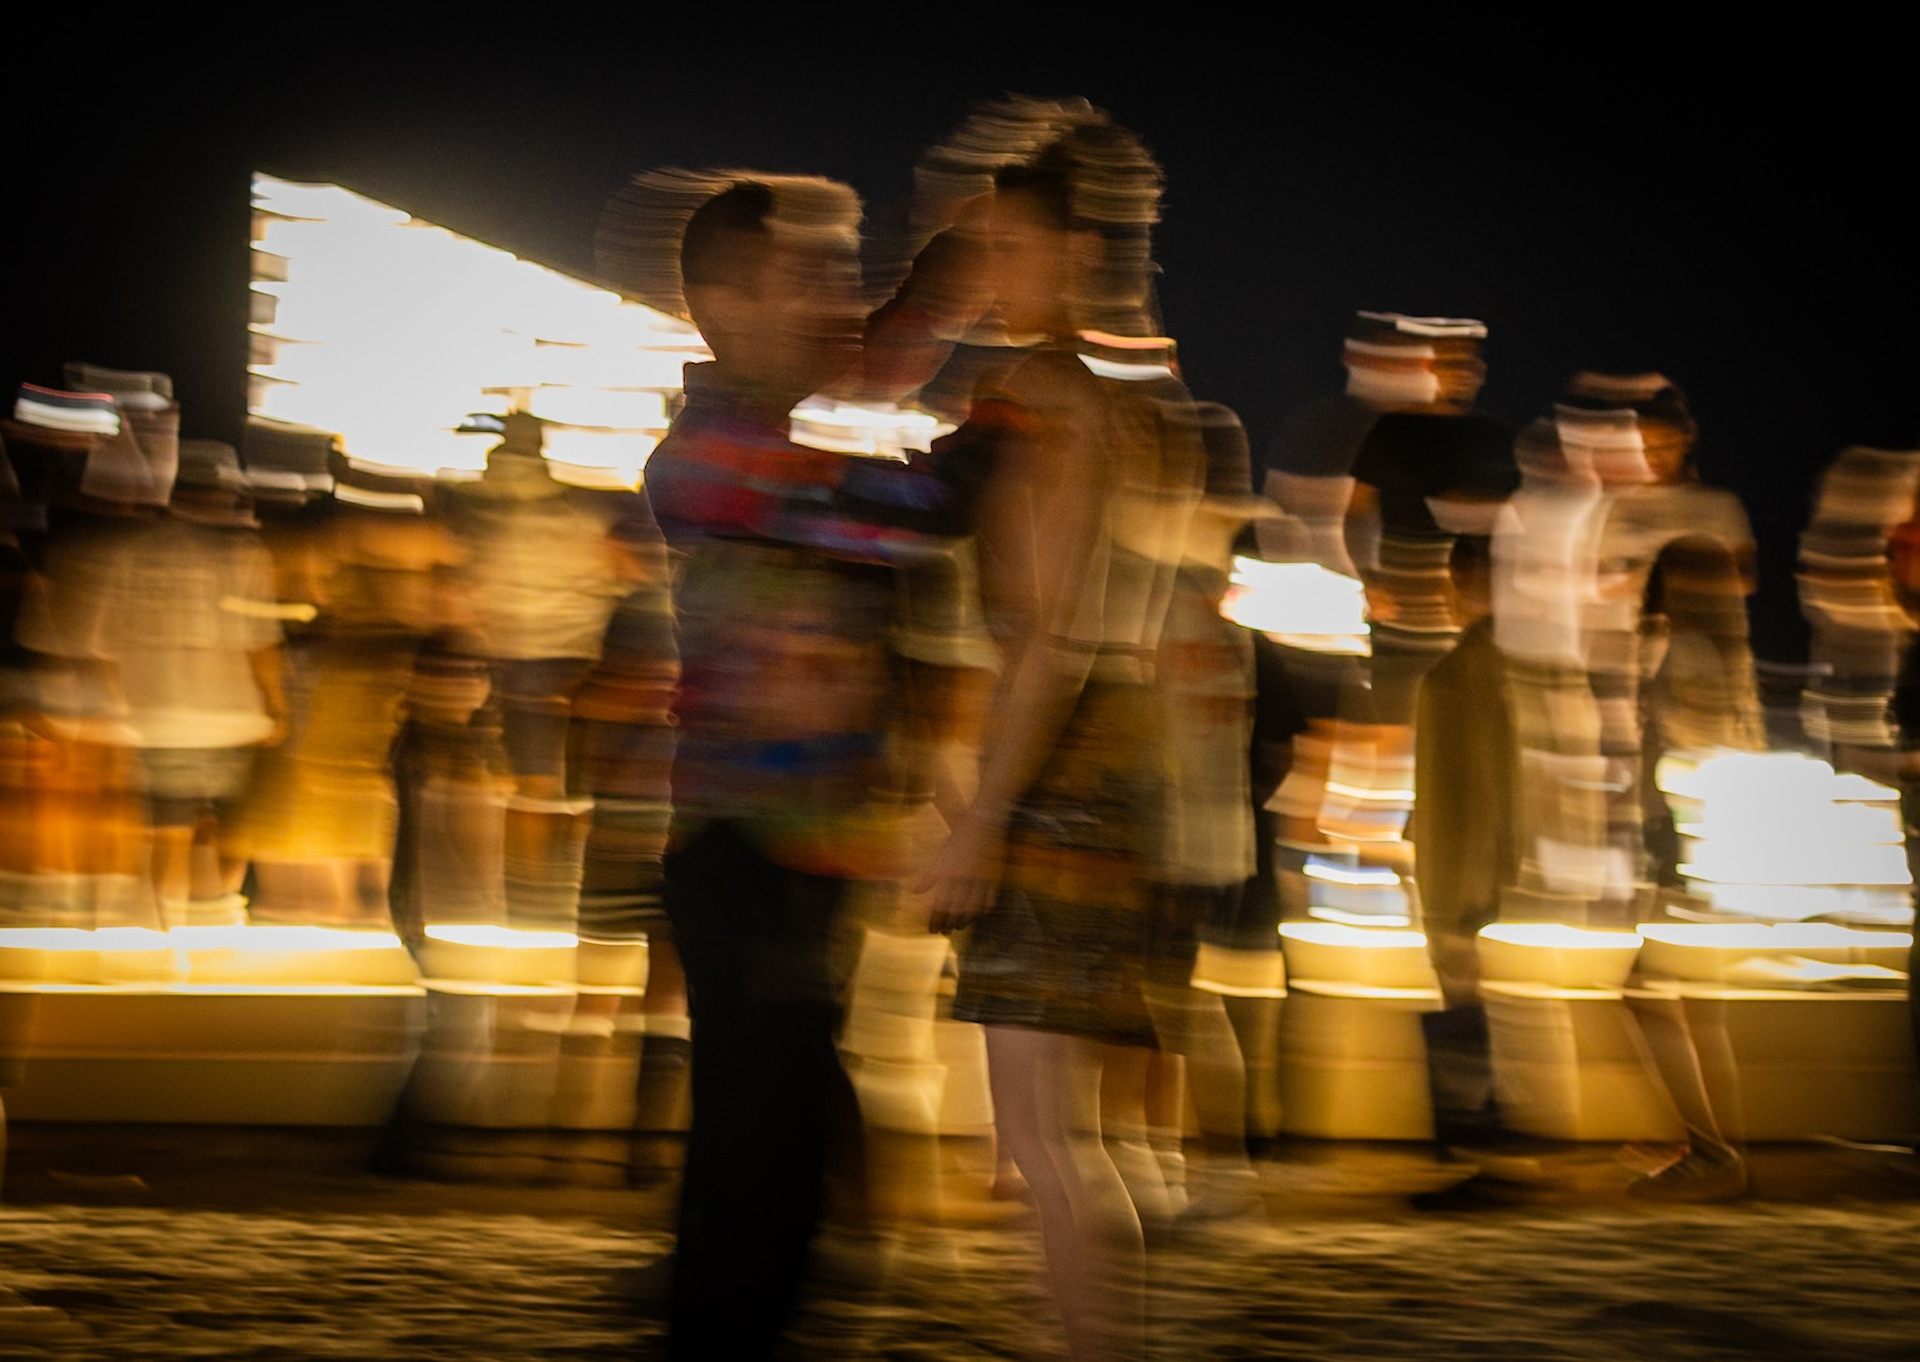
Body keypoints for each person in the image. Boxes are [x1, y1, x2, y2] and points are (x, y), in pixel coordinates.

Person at [640, 174, 981, 1359]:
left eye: (843, 275)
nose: (837, 301)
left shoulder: (769, 429)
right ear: (720, 299)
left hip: (803, 845)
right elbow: (905, 513)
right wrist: (1010, 431)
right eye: (808, 277)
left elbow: (877, 369)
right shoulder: (715, 455)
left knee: (774, 1128)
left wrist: (947, 283)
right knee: (759, 1143)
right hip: (747, 846)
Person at [923, 111, 1203, 1362]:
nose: (986, 271)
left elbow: (1047, 632)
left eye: (1006, 245)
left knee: (1043, 1135)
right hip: (1113, 765)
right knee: (1064, 1134)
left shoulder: (1042, 395)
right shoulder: (1136, 409)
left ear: (1074, 250)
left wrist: (980, 816)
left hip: (1053, 774)